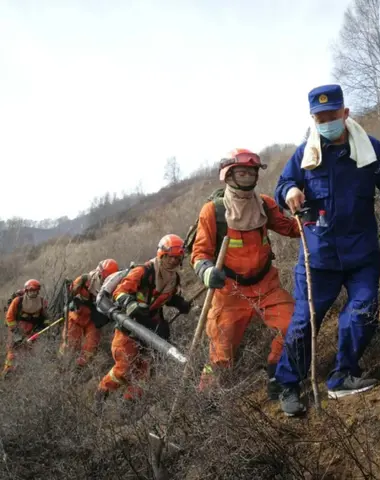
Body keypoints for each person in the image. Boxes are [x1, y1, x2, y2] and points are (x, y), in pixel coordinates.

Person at [273, 84, 380, 416]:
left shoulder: (369, 149)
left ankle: (343, 375)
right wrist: (291, 190)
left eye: (332, 115)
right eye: (320, 118)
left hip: (360, 254)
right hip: (318, 256)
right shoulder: (304, 155)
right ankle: (288, 384)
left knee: (362, 311)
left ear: (345, 113)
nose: (327, 122)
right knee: (303, 322)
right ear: (313, 119)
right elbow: (282, 186)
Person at [191, 148, 300, 399]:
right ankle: (205, 399)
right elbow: (199, 253)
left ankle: (277, 375)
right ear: (228, 175)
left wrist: (310, 219)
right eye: (241, 173)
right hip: (230, 292)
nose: (247, 178)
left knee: (293, 324)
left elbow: (290, 228)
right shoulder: (213, 212)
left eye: (251, 173)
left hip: (266, 285)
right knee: (220, 354)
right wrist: (207, 272)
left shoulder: (264, 205)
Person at [95, 234, 191, 404]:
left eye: (178, 259)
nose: (174, 262)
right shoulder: (143, 271)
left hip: (150, 328)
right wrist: (131, 305)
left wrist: (179, 303)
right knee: (124, 367)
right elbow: (120, 292)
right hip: (129, 328)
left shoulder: (173, 279)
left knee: (145, 371)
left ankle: (129, 405)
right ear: (162, 255)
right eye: (171, 258)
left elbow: (166, 297)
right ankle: (101, 394)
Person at [59, 259, 119, 368]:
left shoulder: (113, 288)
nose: (105, 280)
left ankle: (80, 368)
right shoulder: (84, 280)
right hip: (76, 316)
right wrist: (72, 302)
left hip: (92, 319)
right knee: (70, 343)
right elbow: (70, 294)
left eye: (108, 278)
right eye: (103, 277)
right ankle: (62, 364)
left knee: (91, 345)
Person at [2, 279, 49, 378]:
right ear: (27, 291)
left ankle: (24, 375)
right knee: (13, 352)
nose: (33, 293)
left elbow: (45, 318)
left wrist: (42, 328)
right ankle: (7, 372)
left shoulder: (41, 302)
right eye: (31, 290)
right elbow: (9, 317)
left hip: (31, 331)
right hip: (17, 329)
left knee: (30, 352)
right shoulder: (18, 301)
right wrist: (16, 332)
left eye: (35, 291)